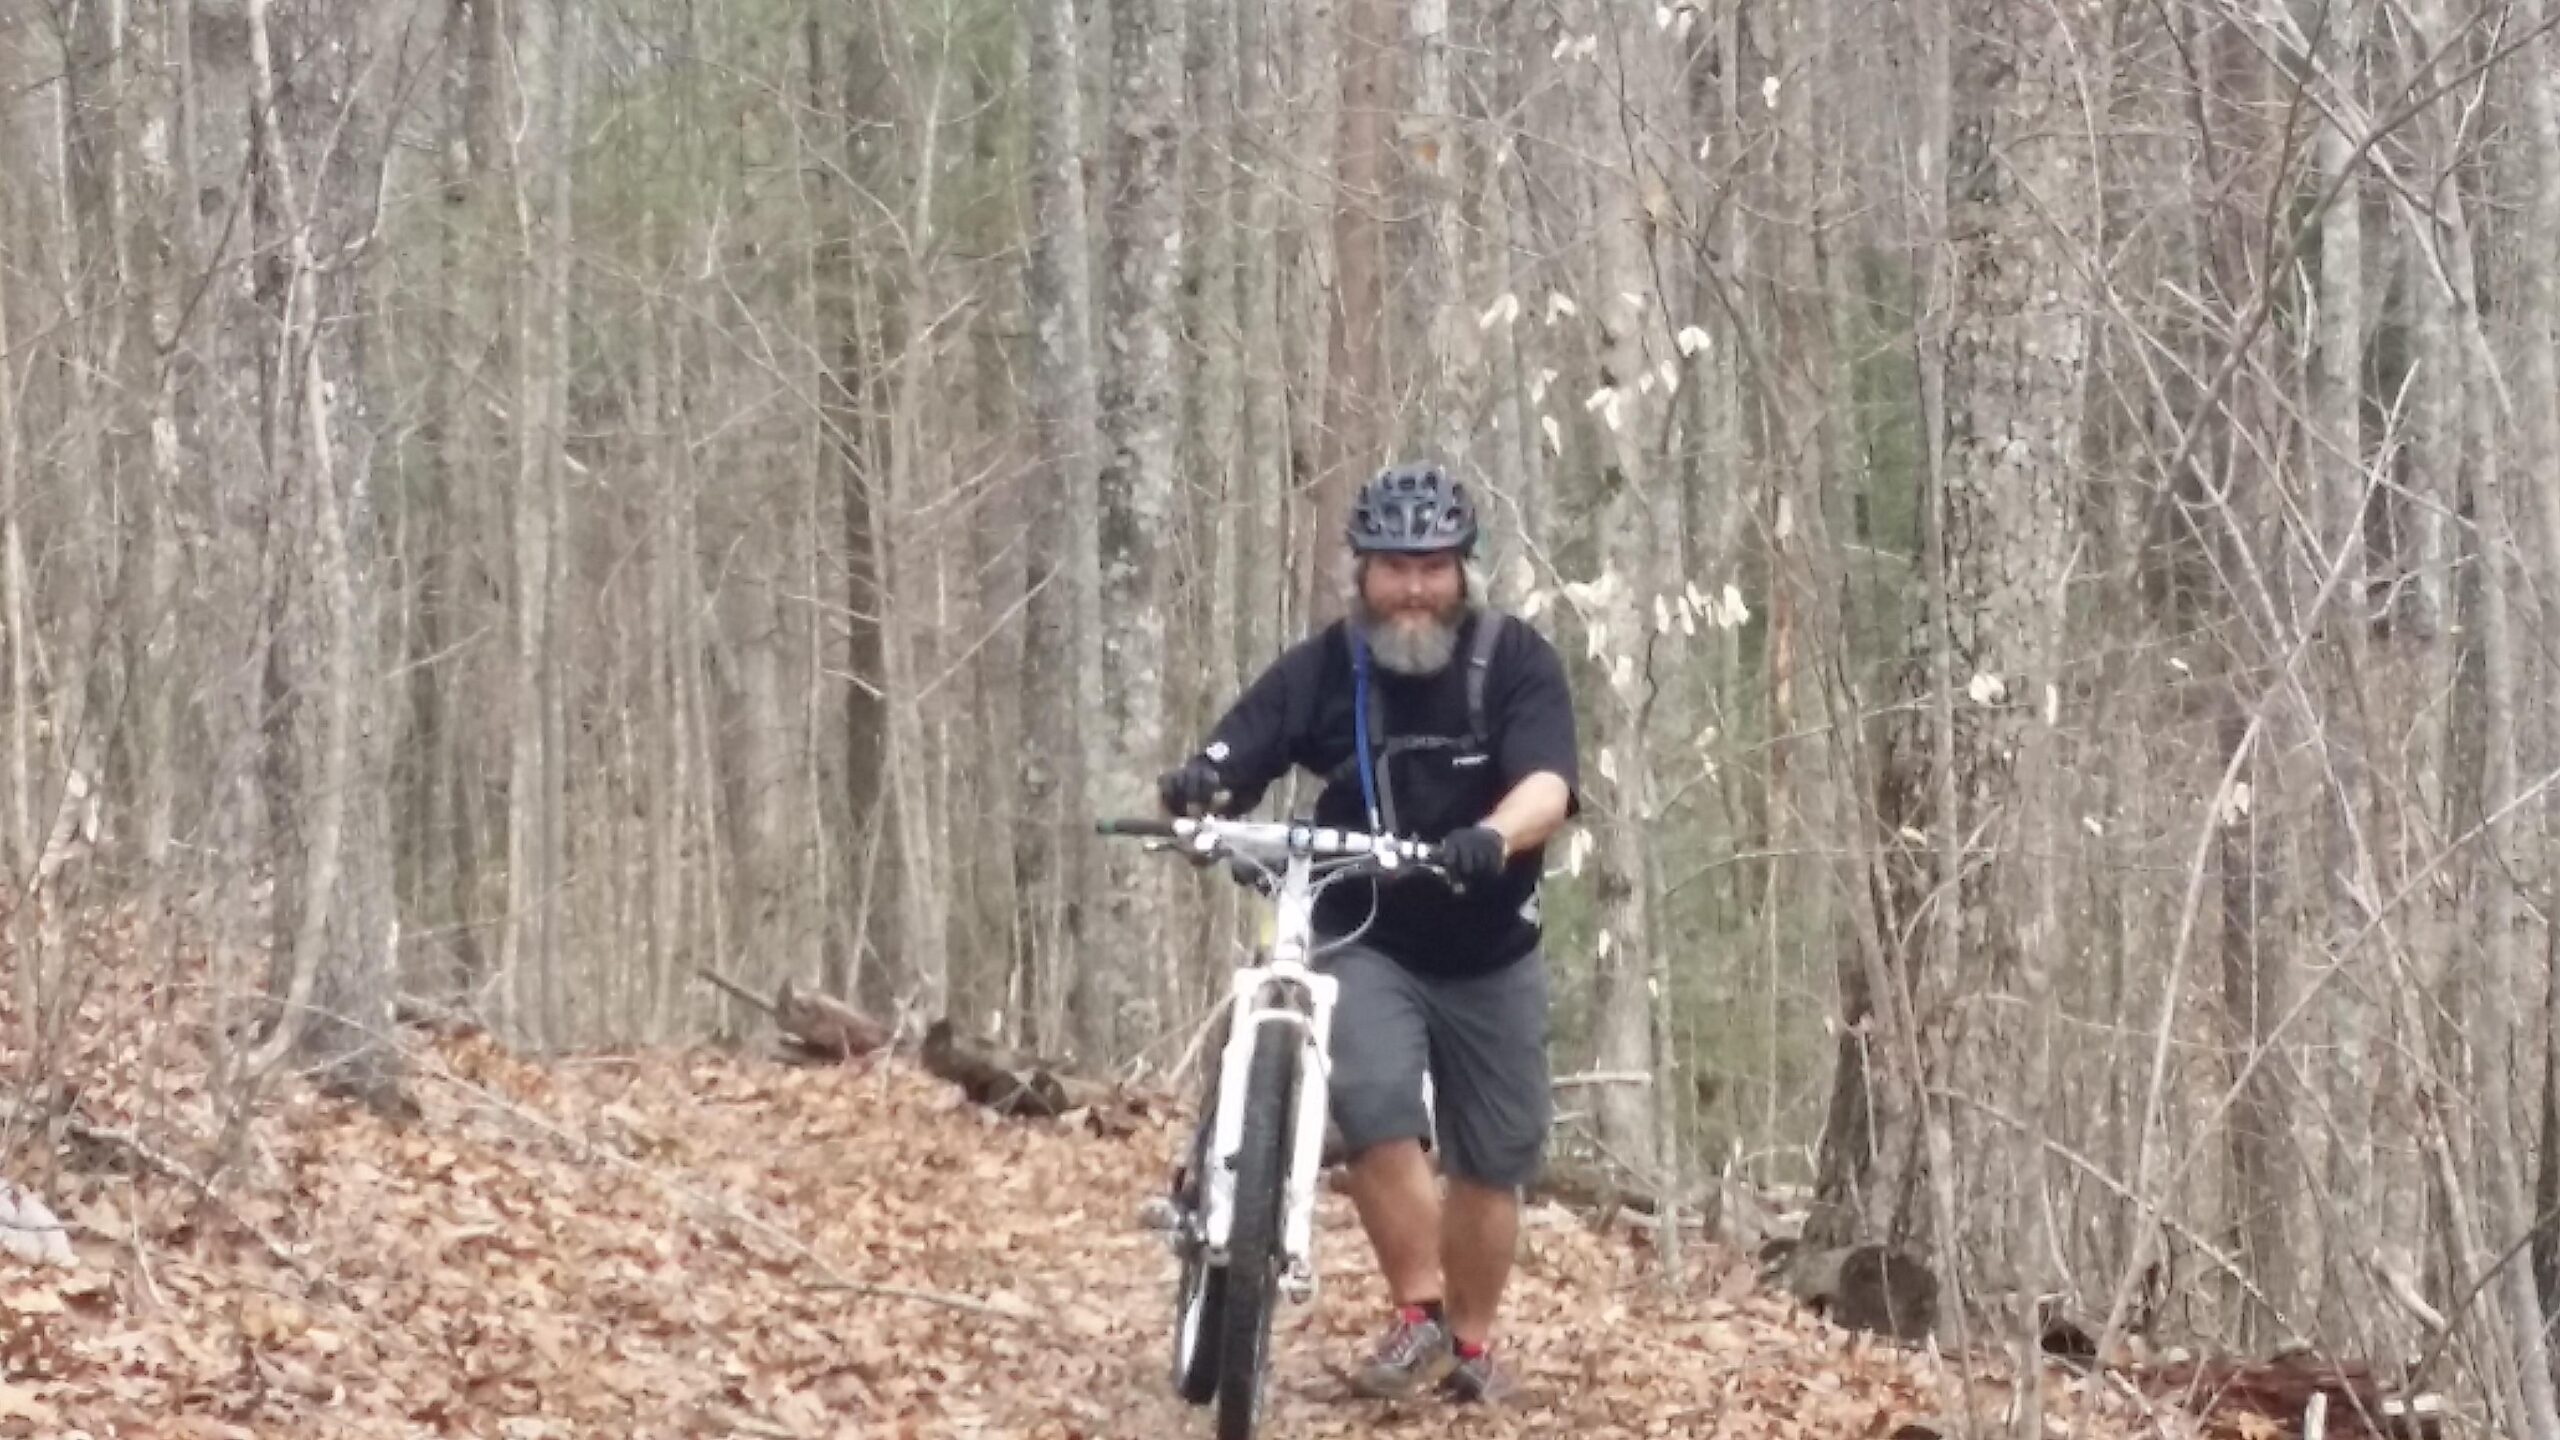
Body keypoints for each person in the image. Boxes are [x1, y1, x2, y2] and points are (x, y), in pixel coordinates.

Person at [1157, 460, 1579, 1404]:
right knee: (1380, 1102)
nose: (1414, 589)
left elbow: (1548, 786)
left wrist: (1489, 837)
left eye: (1433, 566)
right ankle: (1419, 1315)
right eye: (1394, 567)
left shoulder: (1514, 663)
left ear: (1465, 570)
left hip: (1489, 944)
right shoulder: (1326, 667)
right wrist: (1199, 790)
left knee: (1493, 1159)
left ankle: (1468, 1348)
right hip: (1366, 928)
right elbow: (1232, 755)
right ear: (1364, 572)